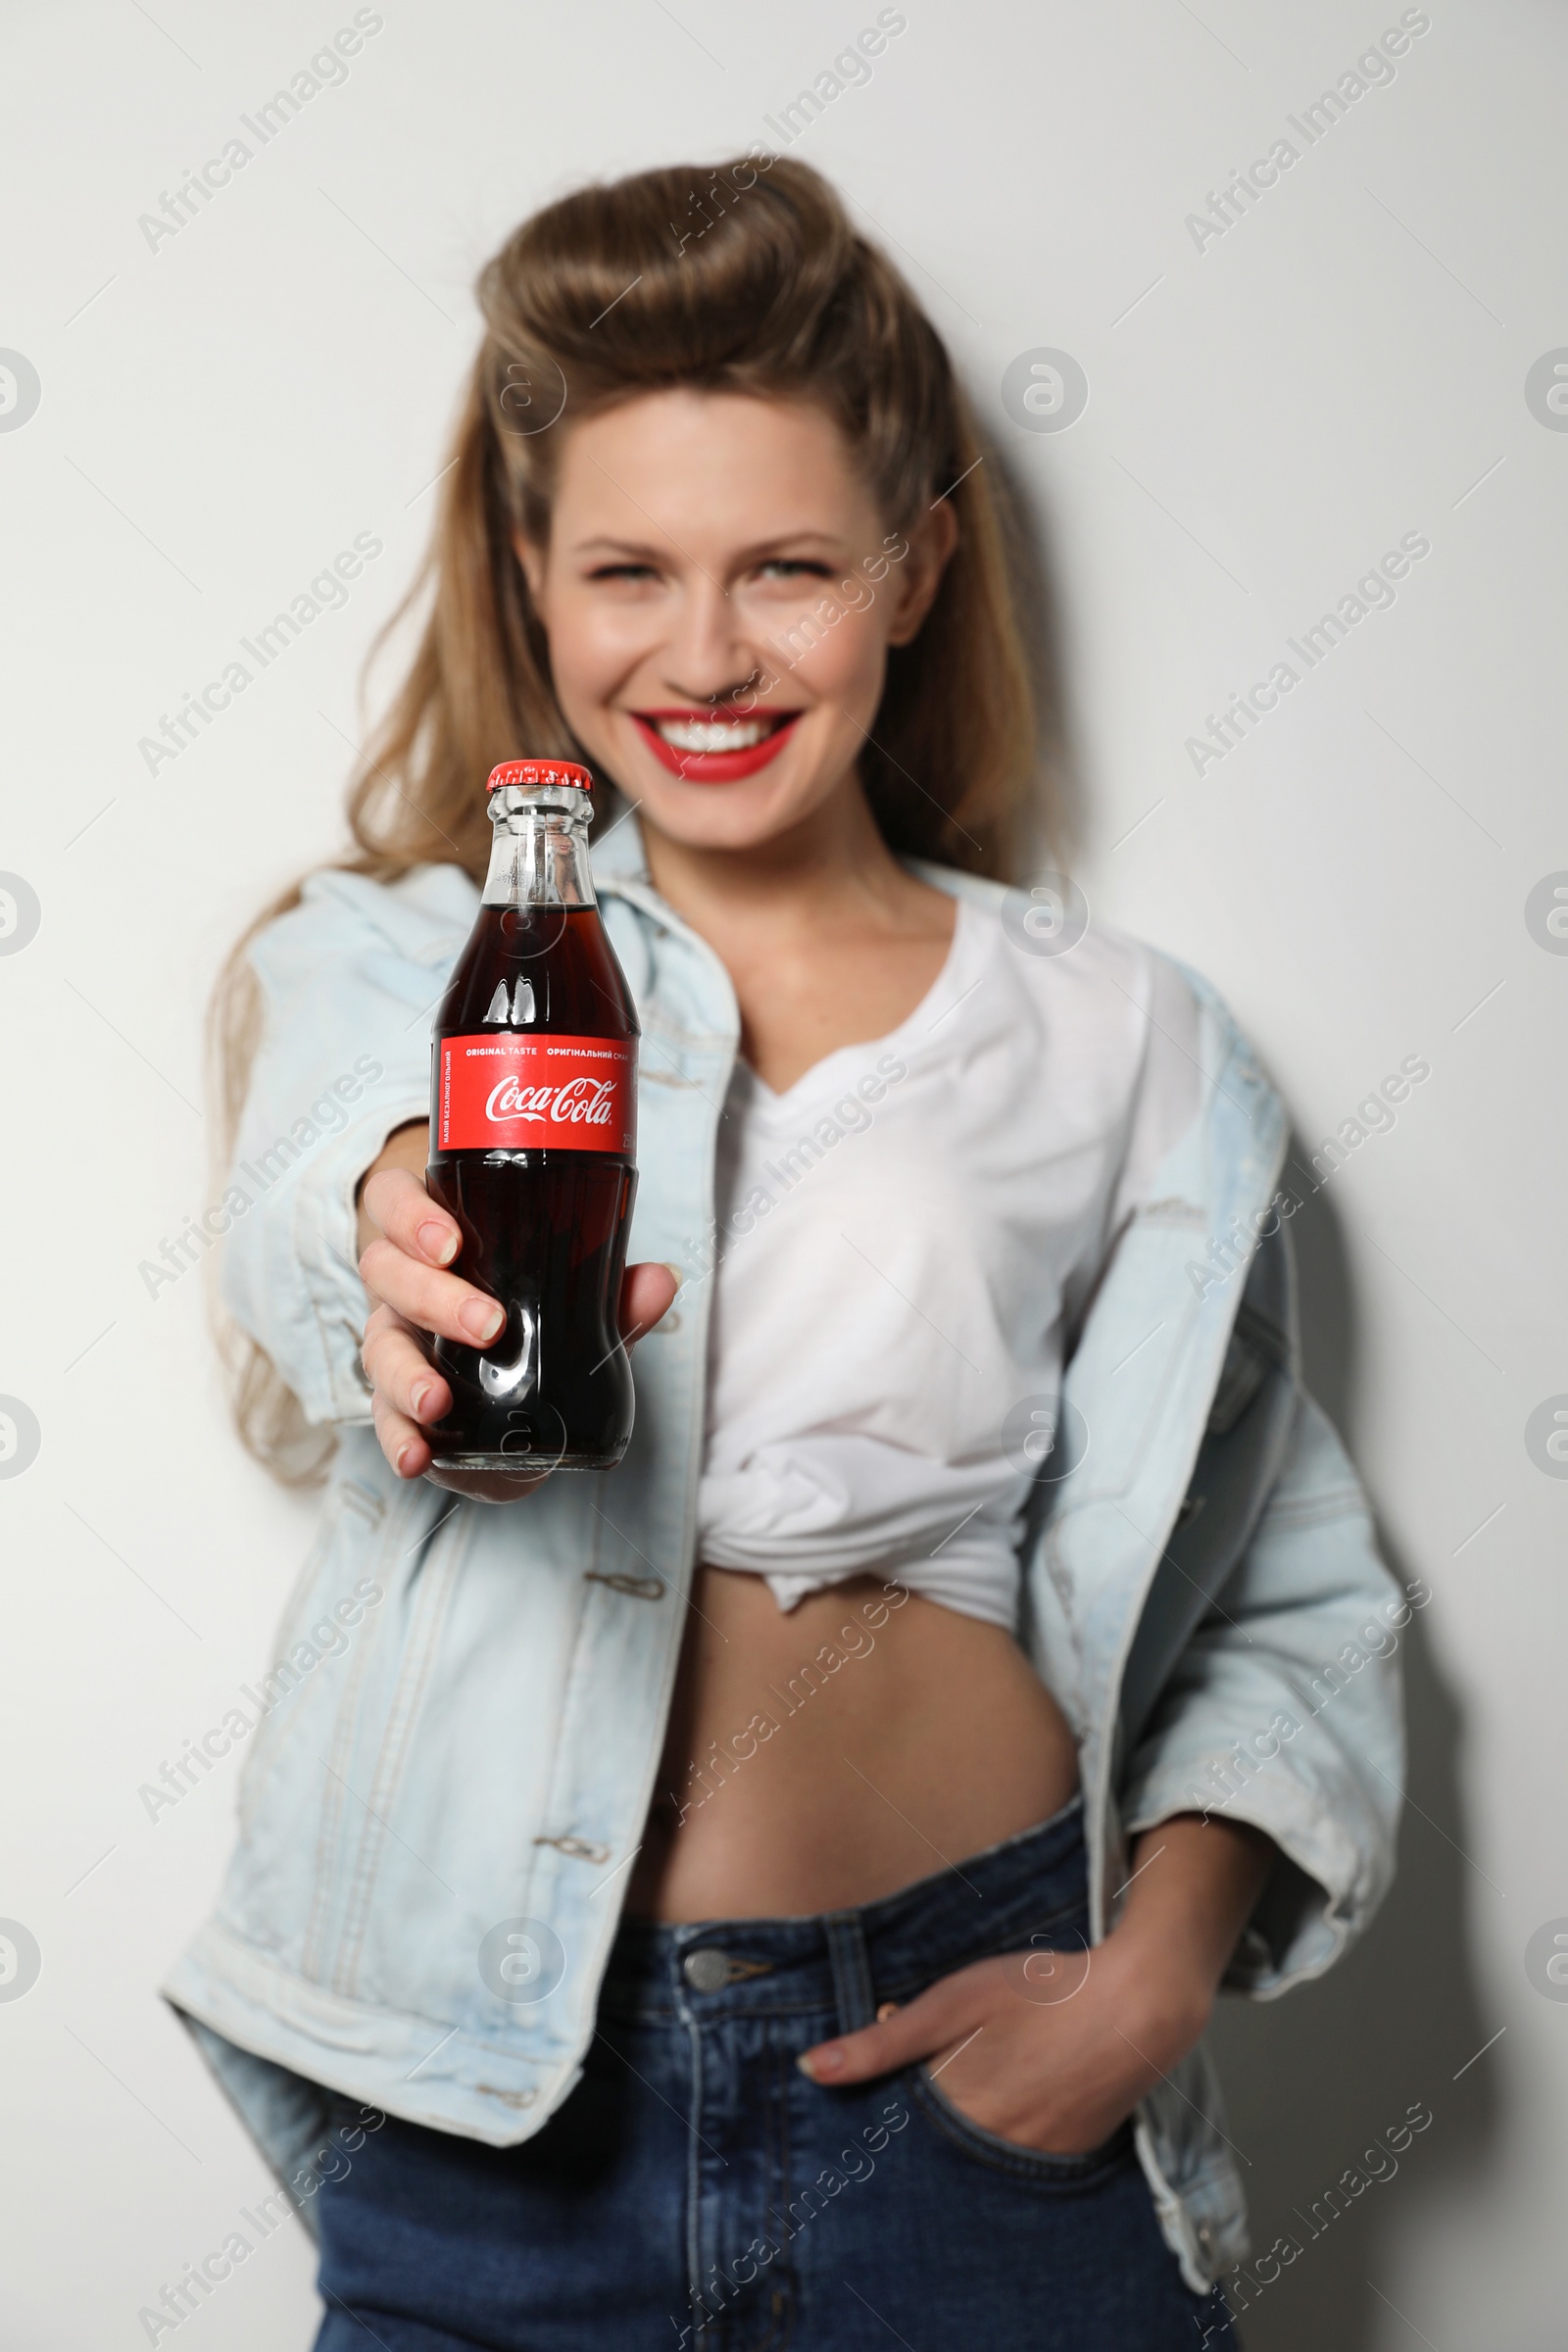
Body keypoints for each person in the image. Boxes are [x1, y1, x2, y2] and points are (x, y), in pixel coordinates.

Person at [163, 155, 1405, 2350]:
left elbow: (1283, 1598)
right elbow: (326, 1207)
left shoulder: (1120, 1036)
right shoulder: (412, 967)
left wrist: (1139, 1989)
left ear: (913, 569)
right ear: (532, 577)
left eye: (790, 569)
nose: (708, 653)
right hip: (497, 2137)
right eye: (627, 569)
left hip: (971, 2090)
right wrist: (399, 1263)